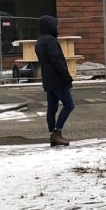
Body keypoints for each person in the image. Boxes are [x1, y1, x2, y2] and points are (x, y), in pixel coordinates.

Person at [34, 15, 74, 147]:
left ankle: (52, 133)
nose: (57, 28)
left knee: (52, 107)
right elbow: (56, 58)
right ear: (49, 26)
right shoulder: (50, 40)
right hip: (57, 77)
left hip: (47, 77)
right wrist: (66, 75)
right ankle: (57, 132)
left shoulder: (39, 41)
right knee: (69, 105)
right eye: (55, 25)